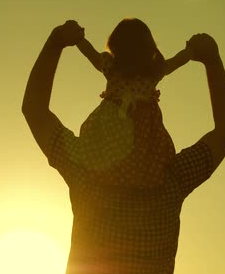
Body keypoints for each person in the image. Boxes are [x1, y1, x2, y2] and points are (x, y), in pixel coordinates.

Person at [22, 19, 225, 274]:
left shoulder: (83, 169)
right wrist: (212, 60)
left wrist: (56, 42)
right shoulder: (172, 179)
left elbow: (35, 110)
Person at [68, 18, 192, 187]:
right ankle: (140, 184)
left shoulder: (111, 67)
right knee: (144, 157)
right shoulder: (153, 72)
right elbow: (176, 61)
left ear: (115, 45)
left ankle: (108, 180)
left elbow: (90, 53)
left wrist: (78, 38)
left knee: (105, 154)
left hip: (111, 126)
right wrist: (191, 51)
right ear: (149, 48)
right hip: (145, 130)